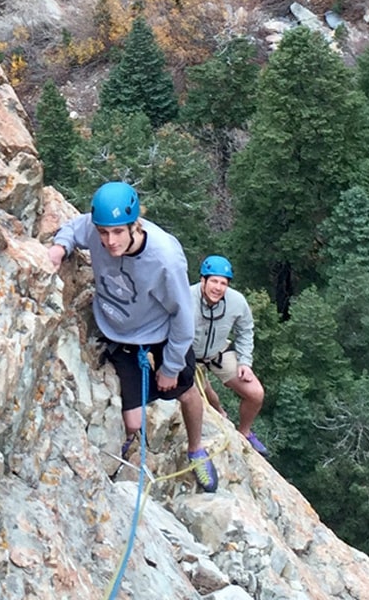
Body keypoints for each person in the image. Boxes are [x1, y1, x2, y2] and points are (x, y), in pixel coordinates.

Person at [47, 181, 218, 492]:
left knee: (185, 391)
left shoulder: (164, 258)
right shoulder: (99, 230)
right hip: (120, 334)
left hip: (161, 333)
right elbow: (75, 228)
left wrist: (170, 366)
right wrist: (60, 248)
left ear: (134, 225)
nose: (109, 242)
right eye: (103, 233)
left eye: (117, 233)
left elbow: (182, 315)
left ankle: (196, 449)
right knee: (133, 423)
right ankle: (133, 449)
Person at [193, 255, 270, 458]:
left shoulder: (236, 302)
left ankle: (244, 432)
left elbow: (245, 329)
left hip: (218, 352)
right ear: (203, 280)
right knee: (205, 399)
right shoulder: (185, 297)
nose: (218, 288)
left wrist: (245, 362)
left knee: (255, 393)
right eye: (214, 281)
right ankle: (220, 411)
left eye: (223, 283)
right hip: (189, 357)